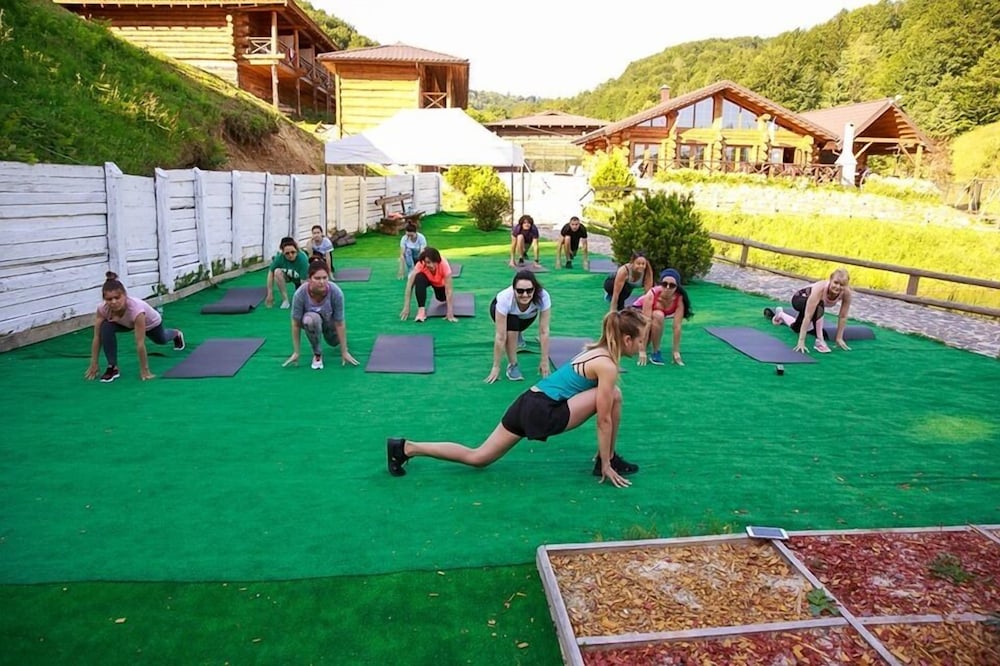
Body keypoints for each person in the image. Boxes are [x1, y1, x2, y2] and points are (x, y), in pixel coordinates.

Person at [386, 309, 648, 487]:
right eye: (639, 342)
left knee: (478, 457)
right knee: (614, 395)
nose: (641, 347)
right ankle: (606, 460)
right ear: (627, 339)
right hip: (545, 411)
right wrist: (605, 464)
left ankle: (406, 448)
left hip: (527, 402)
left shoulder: (594, 351)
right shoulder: (606, 365)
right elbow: (603, 420)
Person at [84, 272, 185, 383]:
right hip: (125, 323)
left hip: (150, 323)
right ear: (104, 299)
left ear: (125, 295)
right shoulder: (102, 309)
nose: (114, 302)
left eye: (117, 297)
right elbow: (97, 337)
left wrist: (144, 370)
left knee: (161, 339)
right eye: (109, 299)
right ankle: (112, 367)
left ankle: (176, 333)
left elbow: (140, 343)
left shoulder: (136, 310)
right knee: (106, 327)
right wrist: (94, 363)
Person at [282, 259, 359, 370]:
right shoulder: (300, 294)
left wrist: (344, 351)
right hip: (311, 322)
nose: (322, 282)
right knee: (310, 320)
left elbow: (340, 323)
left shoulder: (336, 292)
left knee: (334, 342)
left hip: (329, 322)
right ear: (309, 279)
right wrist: (296, 352)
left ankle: (337, 340)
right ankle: (317, 355)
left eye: (324, 277)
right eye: (317, 278)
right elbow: (295, 324)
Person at [766, 267, 854, 354]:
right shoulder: (820, 289)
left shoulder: (846, 293)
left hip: (814, 304)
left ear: (846, 285)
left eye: (842, 285)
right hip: (799, 299)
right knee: (819, 305)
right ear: (830, 280)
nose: (838, 287)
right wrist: (801, 341)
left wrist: (839, 338)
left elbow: (843, 316)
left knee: (797, 328)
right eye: (835, 282)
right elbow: (808, 316)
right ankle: (820, 341)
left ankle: (780, 314)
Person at [486, 270, 552, 384]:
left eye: (529, 290)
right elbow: (500, 337)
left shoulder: (543, 296)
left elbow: (544, 331)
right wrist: (496, 366)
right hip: (504, 315)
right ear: (514, 289)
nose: (525, 295)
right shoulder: (505, 298)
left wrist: (544, 360)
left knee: (516, 328)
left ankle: (517, 334)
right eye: (520, 291)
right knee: (512, 326)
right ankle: (513, 365)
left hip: (527, 316)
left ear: (535, 289)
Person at [632, 268, 693, 367]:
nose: (667, 288)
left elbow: (677, 326)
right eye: (664, 284)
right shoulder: (652, 294)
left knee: (658, 315)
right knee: (657, 316)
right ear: (660, 284)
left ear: (677, 287)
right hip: (638, 313)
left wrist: (676, 351)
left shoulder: (679, 299)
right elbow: (646, 322)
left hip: (655, 317)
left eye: (672, 285)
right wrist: (642, 350)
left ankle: (656, 352)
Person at [400, 247, 457, 323]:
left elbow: (449, 290)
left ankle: (437, 292)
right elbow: (409, 285)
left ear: (437, 261)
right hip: (427, 279)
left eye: (433, 262)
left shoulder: (444, 265)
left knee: (441, 298)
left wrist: (450, 312)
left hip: (440, 285)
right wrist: (406, 307)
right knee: (419, 277)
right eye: (428, 262)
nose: (431, 265)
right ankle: (421, 311)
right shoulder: (421, 264)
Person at [265, 236, 309, 309]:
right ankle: (285, 300)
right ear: (283, 252)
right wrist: (270, 293)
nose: (290, 255)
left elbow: (303, 282)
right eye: (287, 253)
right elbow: (270, 273)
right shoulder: (279, 258)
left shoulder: (303, 258)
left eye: (293, 252)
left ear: (297, 250)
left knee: (303, 297)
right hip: (291, 276)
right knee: (277, 272)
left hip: (305, 279)